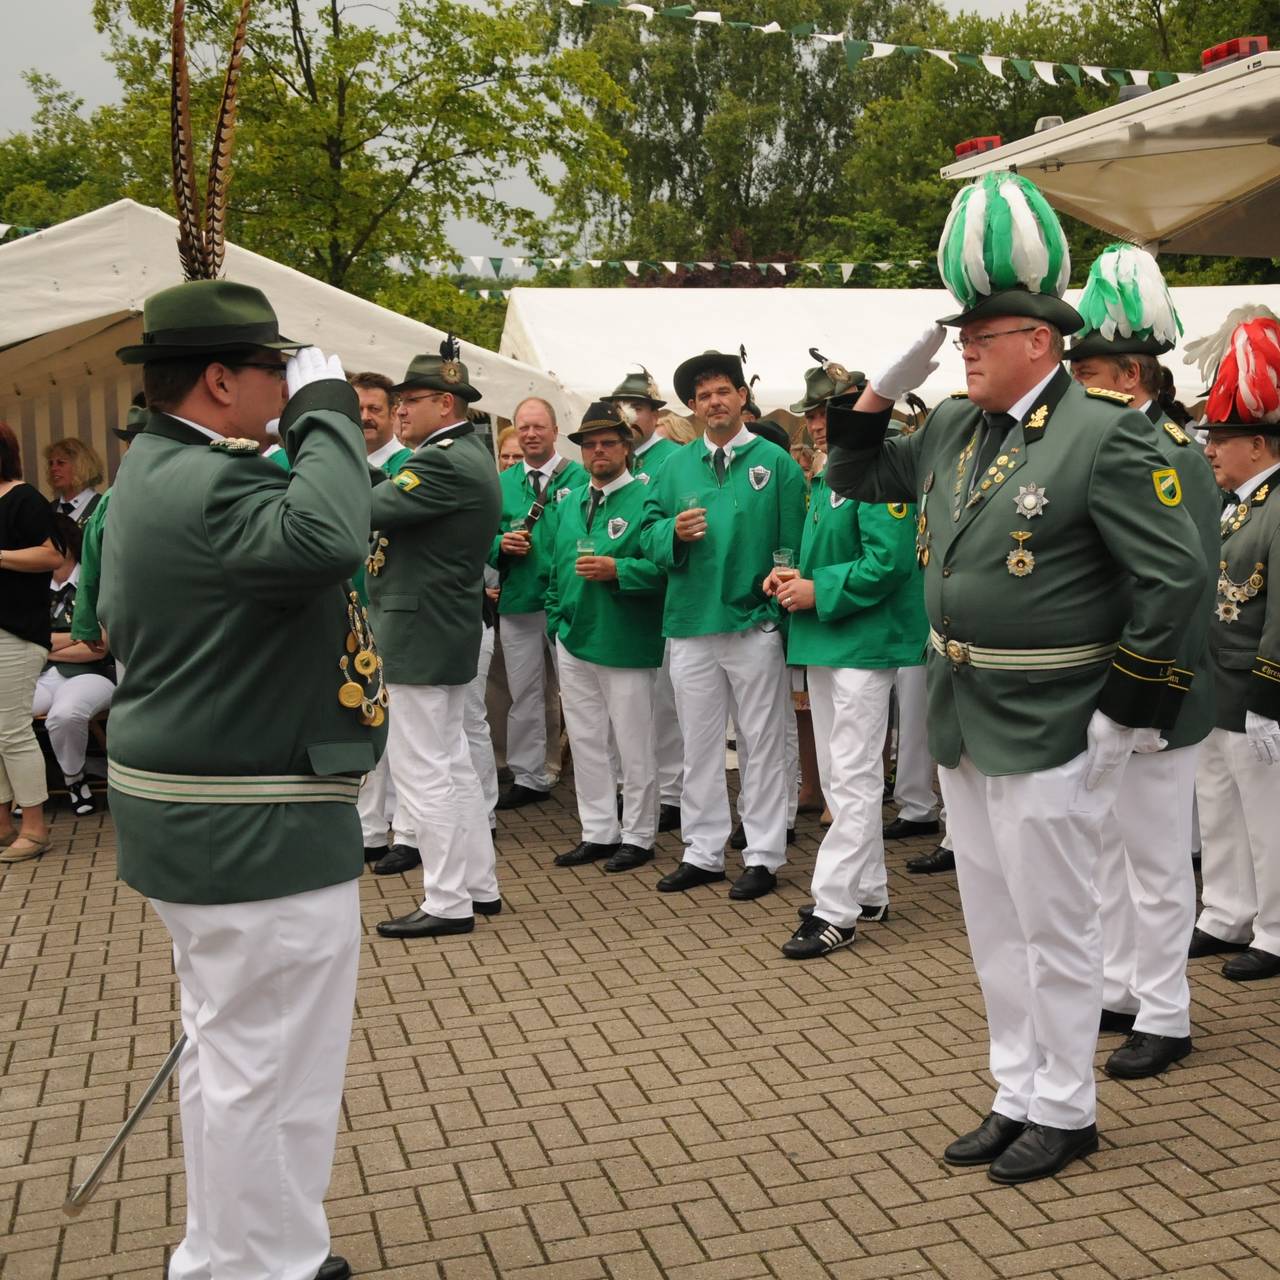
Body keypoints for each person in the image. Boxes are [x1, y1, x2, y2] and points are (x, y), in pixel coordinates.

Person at [824, 172, 1204, 1183]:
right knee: (994, 923)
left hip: (1053, 714)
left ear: (1039, 340)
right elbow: (852, 474)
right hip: (961, 709)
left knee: (1055, 920)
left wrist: (1122, 709)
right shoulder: (951, 426)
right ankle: (1014, 1088)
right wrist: (876, 385)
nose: (961, 351)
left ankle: (1067, 1106)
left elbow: (1175, 577)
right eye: (957, 339)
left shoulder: (1106, 434)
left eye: (977, 337)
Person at [100, 278, 383, 1280]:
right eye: (273, 368)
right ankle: (263, 1265)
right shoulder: (215, 482)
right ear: (220, 379)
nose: (284, 381)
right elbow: (329, 536)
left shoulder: (155, 468)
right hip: (252, 819)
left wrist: (299, 421)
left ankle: (226, 1252)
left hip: (207, 811)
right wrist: (329, 414)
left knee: (230, 1060)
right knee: (272, 1068)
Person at [1064, 243, 1221, 1077]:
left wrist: (1155, 698)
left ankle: (1167, 1011)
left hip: (1159, 687)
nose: (1072, 381)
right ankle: (1123, 986)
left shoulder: (1172, 453)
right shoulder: (1114, 440)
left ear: (1129, 373)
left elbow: (1185, 586)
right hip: (1112, 683)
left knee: (1157, 860)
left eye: (1084, 367)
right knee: (1108, 853)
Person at [770, 358, 928, 958]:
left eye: (826, 411)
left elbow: (889, 561)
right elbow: (838, 556)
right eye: (812, 412)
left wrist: (818, 589)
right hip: (830, 636)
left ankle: (836, 908)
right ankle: (868, 891)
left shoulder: (880, 461)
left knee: (855, 775)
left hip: (866, 639)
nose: (814, 423)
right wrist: (793, 579)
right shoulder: (828, 472)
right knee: (842, 775)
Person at [641, 349, 807, 900]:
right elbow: (646, 533)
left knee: (760, 744)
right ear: (691, 407)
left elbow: (794, 540)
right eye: (702, 396)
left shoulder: (776, 463)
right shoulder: (673, 465)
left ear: (742, 397)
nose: (714, 402)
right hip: (690, 623)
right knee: (700, 744)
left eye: (723, 392)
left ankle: (761, 854)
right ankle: (703, 851)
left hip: (753, 622)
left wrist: (780, 590)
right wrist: (672, 536)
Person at [369, 344, 504, 939]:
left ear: (444, 403)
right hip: (439, 626)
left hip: (419, 630)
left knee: (423, 770)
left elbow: (366, 506)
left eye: (409, 401)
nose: (400, 412)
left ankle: (448, 900)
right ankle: (477, 886)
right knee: (449, 764)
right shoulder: (458, 455)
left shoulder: (443, 461)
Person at [1186, 306, 1280, 984]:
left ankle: (1275, 931)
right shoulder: (1237, 504)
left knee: (1268, 818)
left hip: (1257, 688)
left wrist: (1270, 693)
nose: (1211, 448)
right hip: (1217, 684)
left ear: (1260, 443)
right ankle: (1225, 910)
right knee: (1218, 805)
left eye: (1222, 436)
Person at [545, 401, 666, 872]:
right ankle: (598, 830)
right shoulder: (572, 501)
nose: (598, 451)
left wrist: (620, 570)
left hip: (625, 639)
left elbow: (664, 568)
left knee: (634, 741)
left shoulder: (646, 497)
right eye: (590, 444)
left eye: (608, 443)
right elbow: (555, 568)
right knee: (587, 739)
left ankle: (639, 835)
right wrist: (557, 616)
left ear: (626, 448)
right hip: (574, 636)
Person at [489, 396, 587, 809]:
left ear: (555, 432)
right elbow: (481, 538)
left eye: (538, 427)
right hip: (519, 600)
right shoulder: (502, 484)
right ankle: (530, 775)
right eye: (523, 427)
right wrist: (500, 544)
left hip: (568, 601)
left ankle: (593, 774)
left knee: (579, 692)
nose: (530, 434)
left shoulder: (580, 477)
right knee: (526, 691)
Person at [605, 367, 683, 831]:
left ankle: (672, 791)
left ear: (656, 414)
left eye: (638, 408)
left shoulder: (670, 458)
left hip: (665, 591)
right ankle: (630, 787)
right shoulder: (616, 457)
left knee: (667, 701)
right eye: (624, 408)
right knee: (628, 709)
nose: (631, 416)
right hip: (621, 595)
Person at [0, 421, 61, 864]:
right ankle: (3, 824)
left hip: (16, 632)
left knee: (12, 731)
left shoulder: (24, 498)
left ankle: (35, 827)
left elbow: (52, 555)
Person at [33, 514, 116, 816]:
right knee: (10, 714)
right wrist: (74, 638)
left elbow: (98, 648)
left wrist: (43, 646)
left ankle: (74, 780)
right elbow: (25, 636)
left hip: (91, 675)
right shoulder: (33, 587)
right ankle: (26, 790)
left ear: (63, 544)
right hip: (41, 675)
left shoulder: (92, 582)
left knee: (65, 714)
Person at [70, 401, 147, 657]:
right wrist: (86, 625)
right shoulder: (111, 498)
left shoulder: (110, 497)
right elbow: (91, 560)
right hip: (133, 617)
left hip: (132, 616)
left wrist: (86, 626)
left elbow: (91, 561)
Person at [44, 437, 105, 526]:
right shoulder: (49, 510)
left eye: (60, 463)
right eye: (51, 463)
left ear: (80, 466)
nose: (53, 468)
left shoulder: (102, 507)